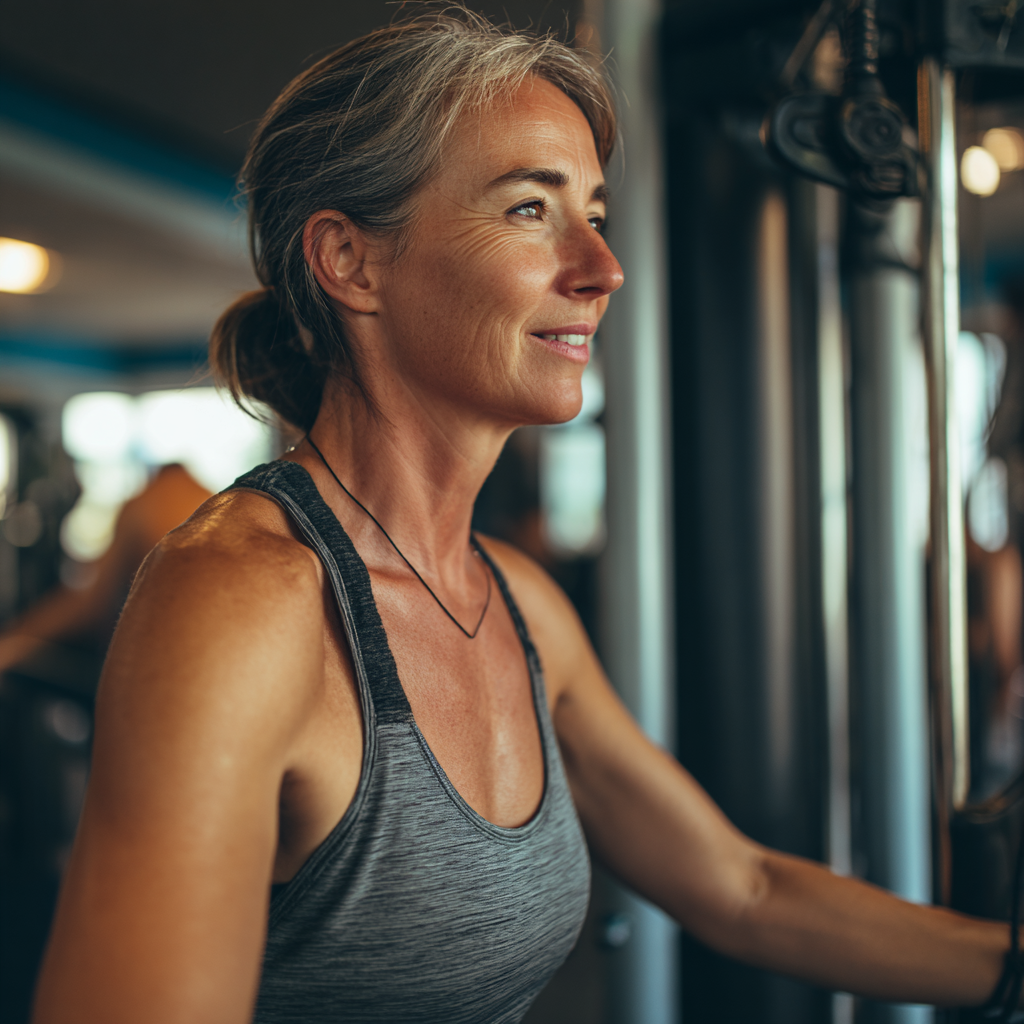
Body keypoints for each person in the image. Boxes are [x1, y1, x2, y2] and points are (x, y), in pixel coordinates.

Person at [30, 11, 1023, 1024]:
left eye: (593, 212)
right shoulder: (241, 603)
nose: (603, 266)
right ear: (350, 262)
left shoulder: (514, 599)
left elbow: (743, 888)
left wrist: (1011, 964)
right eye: (528, 209)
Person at [0, 463, 211, 678]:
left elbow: (91, 603)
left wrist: (15, 641)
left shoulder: (146, 504)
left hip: (150, 672)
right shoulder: (210, 507)